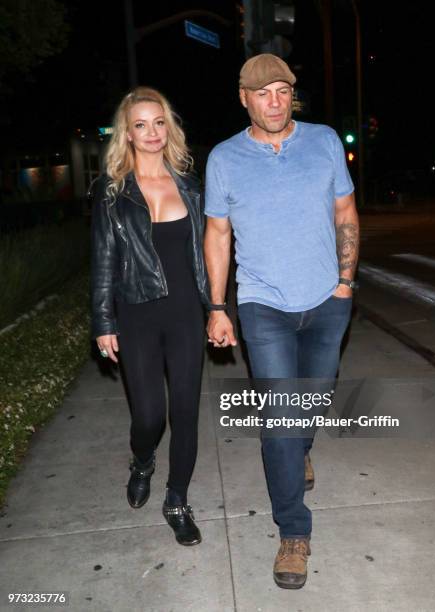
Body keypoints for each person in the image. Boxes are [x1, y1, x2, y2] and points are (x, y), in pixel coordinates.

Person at [204, 54, 359, 588]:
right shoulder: (224, 158)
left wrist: (344, 284)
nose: (273, 101)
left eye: (282, 90)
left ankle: (302, 450)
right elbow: (218, 234)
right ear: (243, 98)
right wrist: (219, 306)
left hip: (327, 299)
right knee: (280, 420)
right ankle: (294, 532)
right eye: (261, 92)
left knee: (313, 396)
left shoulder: (324, 142)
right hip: (262, 305)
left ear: (292, 94)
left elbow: (345, 213)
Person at [90, 86, 210, 546]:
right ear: (128, 133)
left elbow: (208, 250)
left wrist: (215, 307)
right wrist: (103, 321)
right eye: (141, 124)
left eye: (159, 122)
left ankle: (176, 499)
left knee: (185, 412)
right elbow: (102, 259)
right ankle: (142, 460)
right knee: (149, 417)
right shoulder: (112, 191)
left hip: (184, 314)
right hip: (135, 313)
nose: (152, 132)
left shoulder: (189, 185)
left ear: (169, 127)